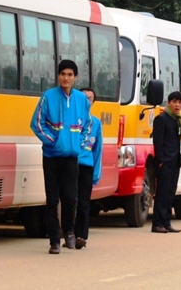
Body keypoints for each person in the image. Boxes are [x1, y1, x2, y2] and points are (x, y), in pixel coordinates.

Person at [30, 59, 92, 254]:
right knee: (52, 199)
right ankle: (54, 241)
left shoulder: (81, 100)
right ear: (58, 76)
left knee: (70, 199)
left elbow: (87, 126)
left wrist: (77, 145)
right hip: (51, 157)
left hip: (72, 158)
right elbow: (37, 123)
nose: (66, 78)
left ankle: (70, 233)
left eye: (70, 74)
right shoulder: (48, 97)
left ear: (75, 77)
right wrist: (54, 142)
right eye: (63, 74)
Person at [151, 91, 181, 233]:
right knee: (162, 193)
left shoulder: (177, 120)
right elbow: (157, 142)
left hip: (175, 161)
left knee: (171, 193)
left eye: (180, 102)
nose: (177, 105)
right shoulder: (161, 119)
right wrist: (161, 160)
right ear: (169, 103)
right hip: (164, 162)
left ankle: (166, 222)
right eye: (174, 102)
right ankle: (157, 223)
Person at [74, 88, 102, 249]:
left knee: (84, 202)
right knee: (70, 201)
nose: (87, 100)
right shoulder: (69, 120)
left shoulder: (96, 123)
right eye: (84, 97)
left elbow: (98, 149)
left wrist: (96, 173)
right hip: (69, 165)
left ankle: (81, 236)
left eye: (90, 98)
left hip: (86, 167)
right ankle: (68, 233)